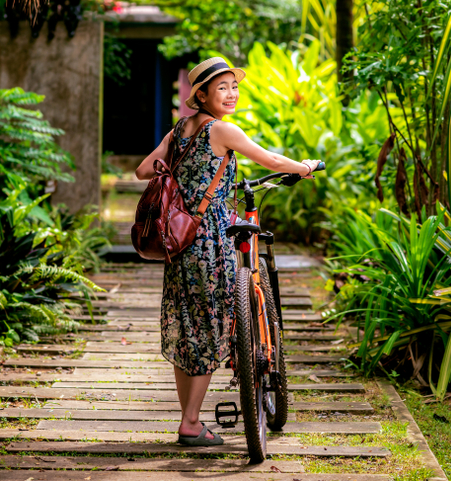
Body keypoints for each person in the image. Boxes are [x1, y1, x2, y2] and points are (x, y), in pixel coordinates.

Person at [135, 56, 321, 446]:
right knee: (207, 326)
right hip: (210, 240)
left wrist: (181, 177)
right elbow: (269, 160)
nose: (231, 94)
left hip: (179, 239)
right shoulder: (221, 131)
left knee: (188, 326)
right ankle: (190, 423)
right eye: (222, 88)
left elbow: (142, 170)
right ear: (201, 94)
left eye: (234, 87)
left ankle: (189, 418)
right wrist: (303, 167)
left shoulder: (179, 130)